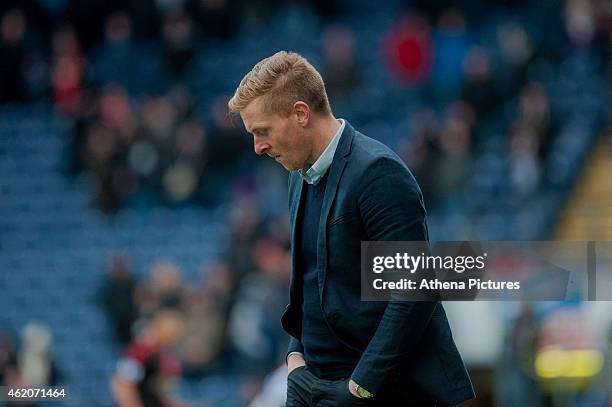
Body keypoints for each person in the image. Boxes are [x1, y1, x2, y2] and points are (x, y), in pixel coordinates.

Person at [228, 51, 475, 406]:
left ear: (300, 113)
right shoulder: (298, 178)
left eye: (262, 131)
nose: (258, 147)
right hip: (313, 381)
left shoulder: (378, 173)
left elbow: (415, 290)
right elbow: (312, 283)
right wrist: (295, 359)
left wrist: (361, 386)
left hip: (381, 392)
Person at [110, 310, 186, 407]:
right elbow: (122, 385)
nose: (173, 338)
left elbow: (160, 394)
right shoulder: (139, 352)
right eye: (170, 333)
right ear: (158, 328)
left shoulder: (166, 358)